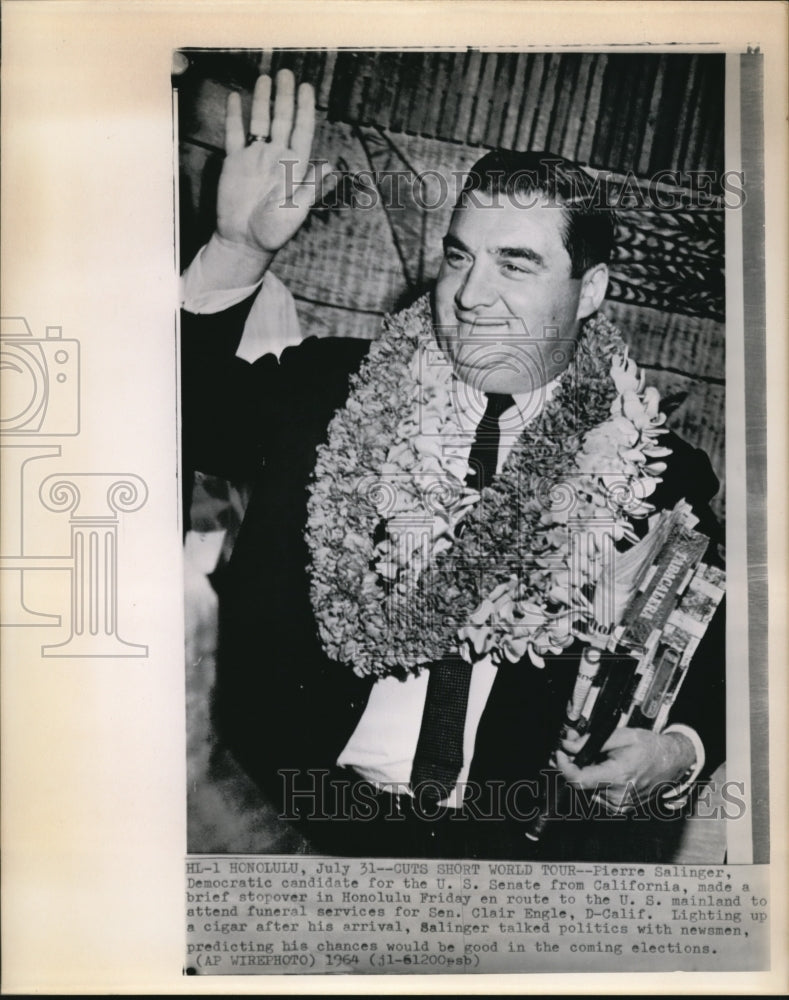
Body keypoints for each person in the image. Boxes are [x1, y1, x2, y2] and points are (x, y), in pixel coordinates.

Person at [181, 70, 725, 860]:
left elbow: (714, 643)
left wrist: (677, 749)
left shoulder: (656, 473)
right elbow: (170, 419)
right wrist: (236, 249)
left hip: (502, 858)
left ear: (590, 290)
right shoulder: (332, 389)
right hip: (275, 817)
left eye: (515, 264)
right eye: (459, 256)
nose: (471, 294)